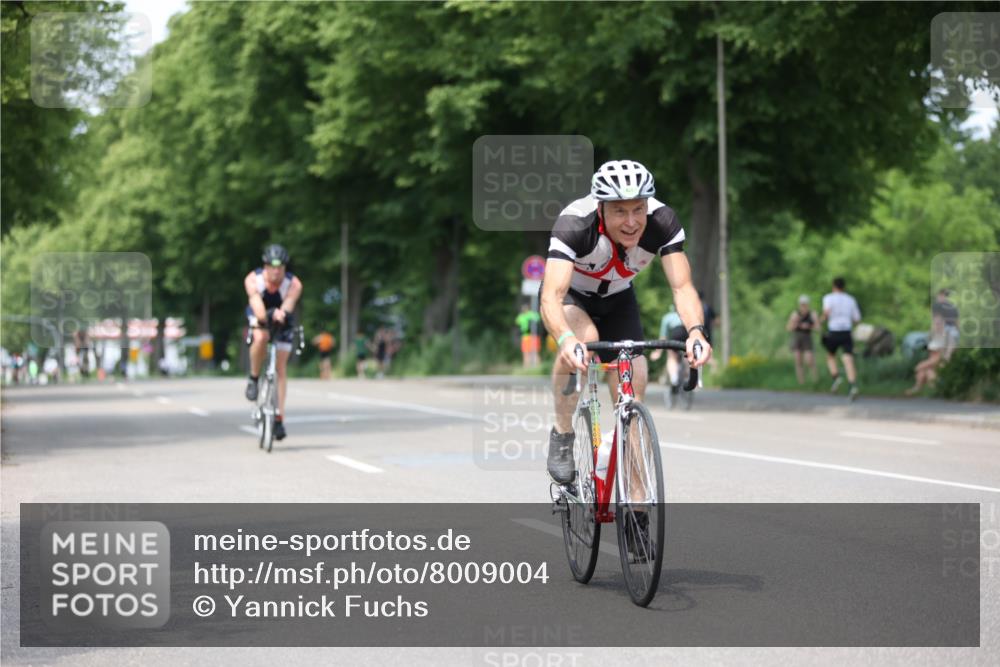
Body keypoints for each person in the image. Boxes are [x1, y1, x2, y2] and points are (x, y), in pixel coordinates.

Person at [541, 159, 712, 486]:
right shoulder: (576, 224)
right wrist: (565, 339)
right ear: (601, 208)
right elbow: (551, 296)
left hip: (619, 298)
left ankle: (637, 503)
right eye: (620, 211)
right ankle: (563, 434)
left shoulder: (662, 223)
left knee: (636, 380)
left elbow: (682, 287)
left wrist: (696, 332)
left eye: (639, 209)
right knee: (585, 341)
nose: (632, 222)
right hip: (572, 297)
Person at [244, 244, 303, 441]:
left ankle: (279, 417)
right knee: (260, 337)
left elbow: (289, 304)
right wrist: (267, 316)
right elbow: (256, 305)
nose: (276, 271)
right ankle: (253, 378)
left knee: (280, 368)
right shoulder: (253, 279)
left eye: (280, 267)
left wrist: (282, 313)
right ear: (265, 265)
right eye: (272, 266)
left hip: (282, 317)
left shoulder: (293, 284)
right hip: (261, 313)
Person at [906, 289, 960, 395]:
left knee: (923, 368)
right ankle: (922, 389)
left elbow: (943, 356)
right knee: (927, 371)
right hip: (936, 353)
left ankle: (927, 390)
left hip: (940, 357)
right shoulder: (946, 309)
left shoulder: (945, 312)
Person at [820, 277, 861, 400]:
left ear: (833, 286)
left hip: (834, 331)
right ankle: (853, 385)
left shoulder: (828, 298)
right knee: (848, 358)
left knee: (830, 355)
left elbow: (826, 312)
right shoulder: (850, 299)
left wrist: (819, 321)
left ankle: (836, 377)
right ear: (844, 287)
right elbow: (857, 318)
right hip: (847, 332)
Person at [650, 304, 686, 396]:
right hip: (687, 332)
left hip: (676, 333)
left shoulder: (667, 317)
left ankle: (674, 379)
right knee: (687, 354)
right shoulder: (687, 314)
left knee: (671, 357)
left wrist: (658, 352)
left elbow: (663, 337)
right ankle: (689, 375)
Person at [786, 295, 819, 384]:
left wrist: (809, 326)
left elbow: (818, 328)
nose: (803, 306)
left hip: (807, 337)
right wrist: (796, 323)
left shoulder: (812, 314)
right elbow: (789, 328)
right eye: (802, 304)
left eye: (805, 304)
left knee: (809, 360)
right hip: (797, 337)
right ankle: (801, 382)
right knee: (798, 361)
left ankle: (815, 380)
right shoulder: (795, 314)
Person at [515, 304, 542, 368]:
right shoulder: (533, 314)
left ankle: (526, 367)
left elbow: (517, 322)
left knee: (526, 353)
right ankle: (537, 367)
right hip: (534, 336)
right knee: (534, 353)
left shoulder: (521, 316)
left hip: (526, 336)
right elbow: (538, 319)